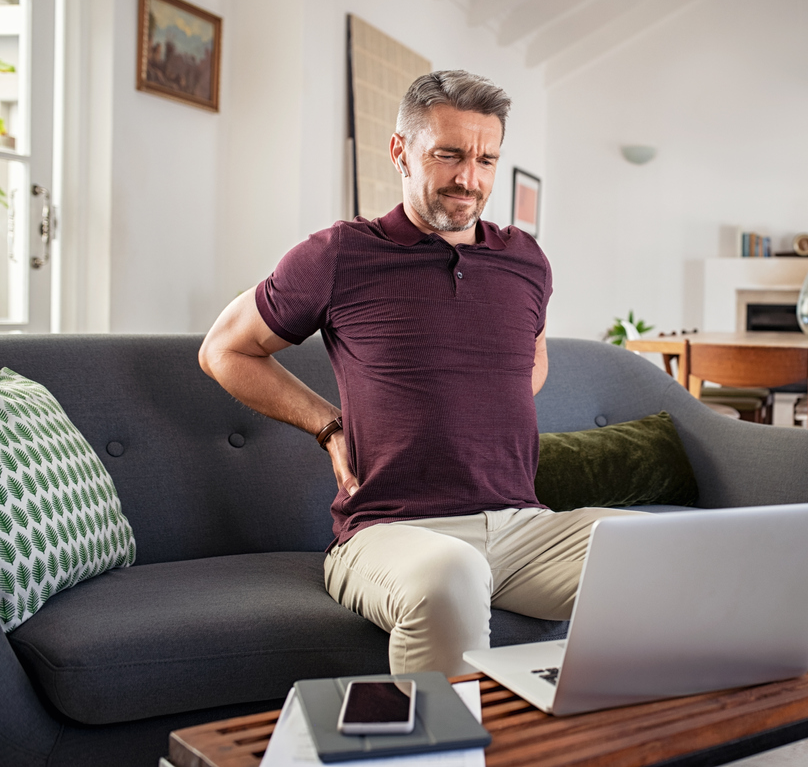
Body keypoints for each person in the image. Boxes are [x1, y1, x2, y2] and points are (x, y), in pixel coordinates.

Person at [199, 70, 634, 676]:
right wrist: (329, 425)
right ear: (401, 151)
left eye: (486, 159)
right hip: (389, 531)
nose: (469, 179)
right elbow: (224, 349)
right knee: (453, 574)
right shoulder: (340, 255)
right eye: (449, 155)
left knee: (657, 550)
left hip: (522, 527)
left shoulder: (526, 261)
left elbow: (530, 362)